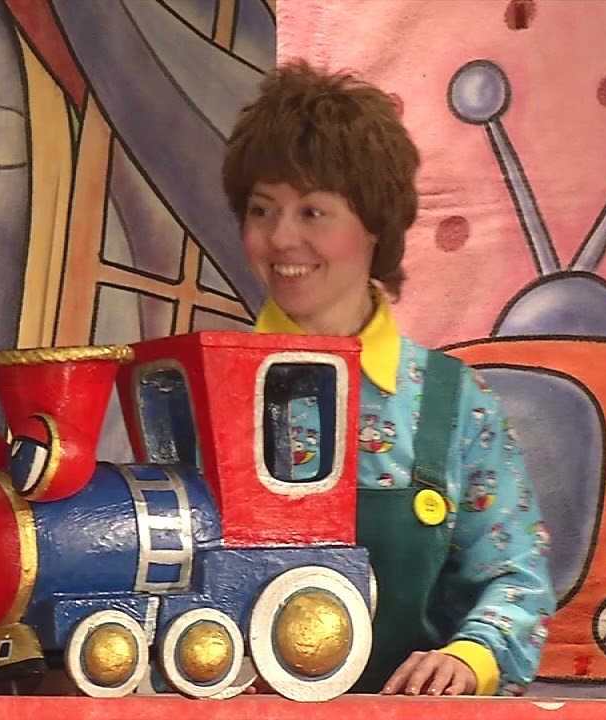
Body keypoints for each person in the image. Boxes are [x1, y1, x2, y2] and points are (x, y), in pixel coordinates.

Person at [223, 60, 555, 697]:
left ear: (375, 225)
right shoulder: (199, 389)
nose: (281, 238)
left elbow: (516, 579)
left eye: (312, 212)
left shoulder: (454, 405)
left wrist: (470, 657)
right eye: (261, 210)